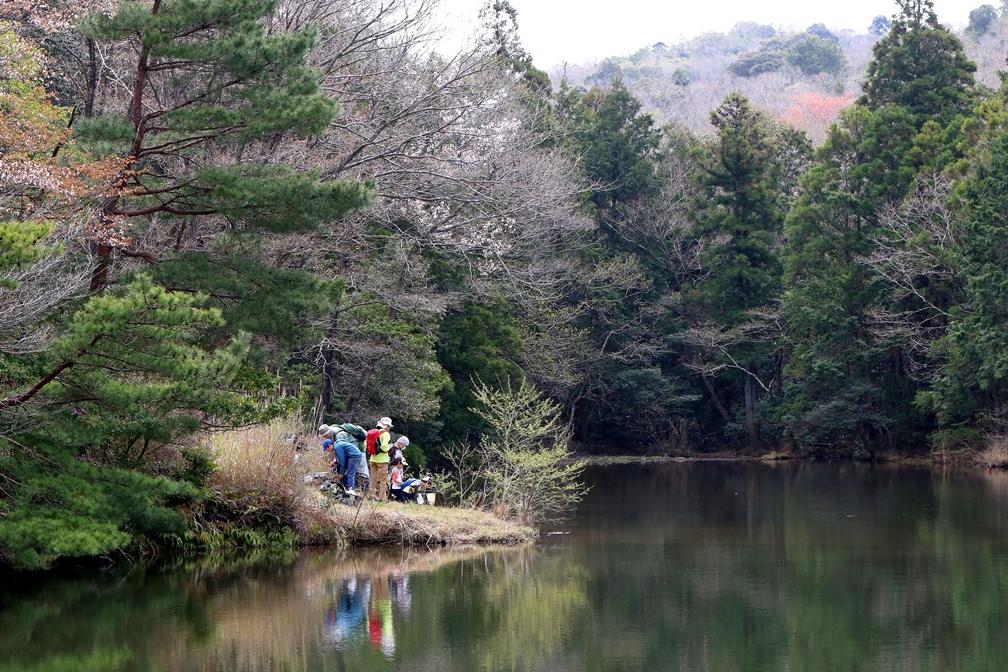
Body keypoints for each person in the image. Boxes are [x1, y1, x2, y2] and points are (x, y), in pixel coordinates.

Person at [330, 429, 366, 497]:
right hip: (352, 455)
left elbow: (342, 462)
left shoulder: (337, 447)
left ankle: (351, 490)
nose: (327, 451)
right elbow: (341, 459)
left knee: (350, 473)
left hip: (355, 456)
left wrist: (341, 474)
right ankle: (346, 487)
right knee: (348, 472)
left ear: (329, 446)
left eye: (326, 449)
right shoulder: (337, 444)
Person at [367, 417, 393, 500]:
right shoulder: (386, 434)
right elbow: (384, 446)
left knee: (373, 478)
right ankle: (382, 498)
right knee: (383, 480)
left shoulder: (373, 432)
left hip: (372, 459)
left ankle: (371, 496)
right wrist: (389, 447)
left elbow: (365, 444)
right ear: (387, 426)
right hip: (382, 460)